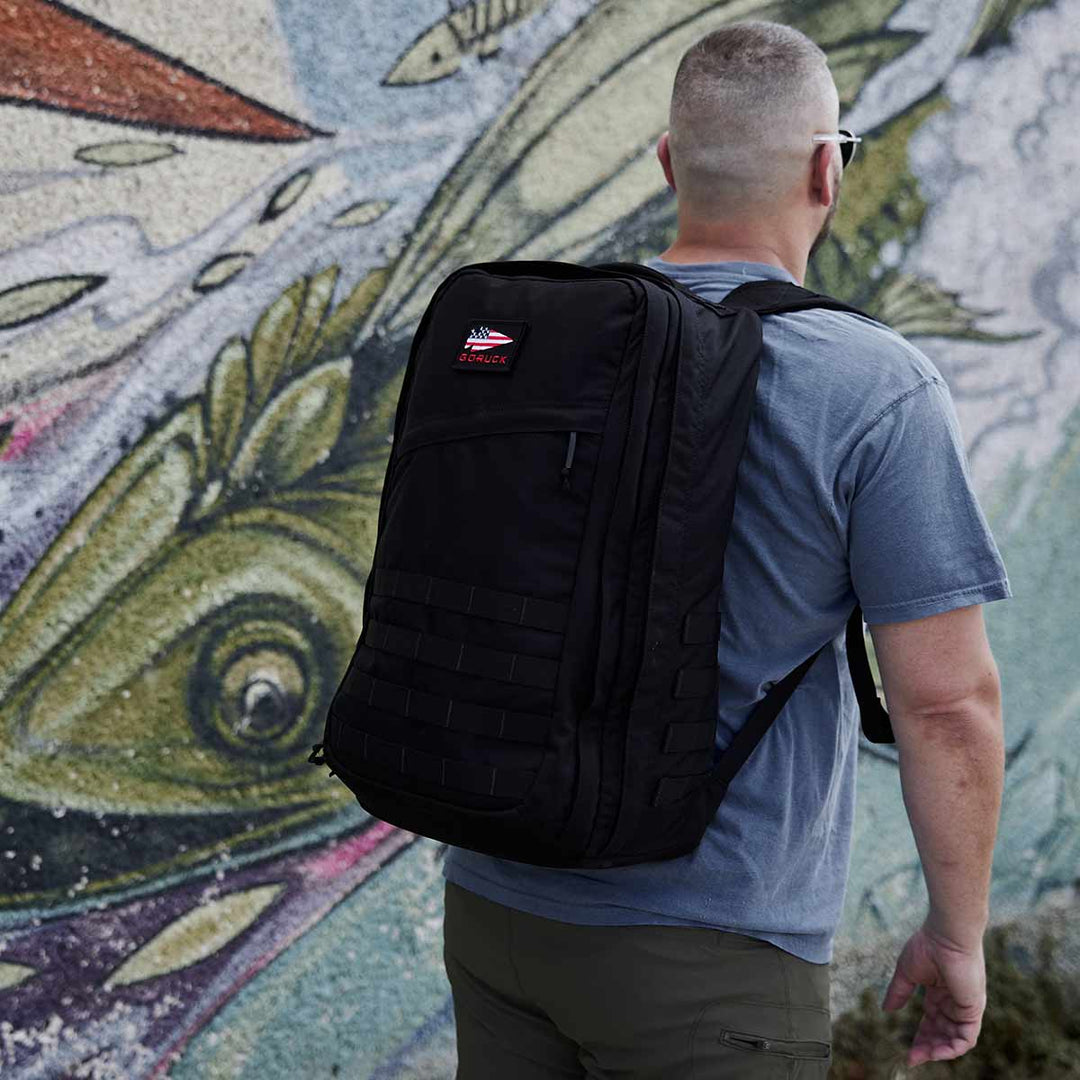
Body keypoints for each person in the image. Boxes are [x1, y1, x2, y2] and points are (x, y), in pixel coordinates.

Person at [440, 19, 1010, 1079]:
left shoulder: (551, 341)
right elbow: (945, 705)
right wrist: (957, 933)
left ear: (666, 163)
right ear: (824, 172)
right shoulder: (870, 385)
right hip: (713, 958)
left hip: (493, 905)